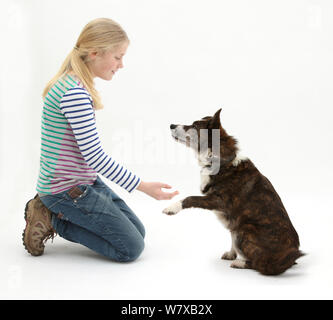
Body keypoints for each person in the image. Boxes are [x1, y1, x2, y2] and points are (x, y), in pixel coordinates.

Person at [22, 18, 179, 262]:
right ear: (94, 53)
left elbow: (86, 157)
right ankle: (50, 218)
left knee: (138, 232)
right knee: (130, 249)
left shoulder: (73, 83)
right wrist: (143, 186)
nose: (121, 64)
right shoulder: (74, 94)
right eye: (118, 57)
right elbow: (95, 157)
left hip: (83, 182)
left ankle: (57, 212)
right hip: (64, 191)